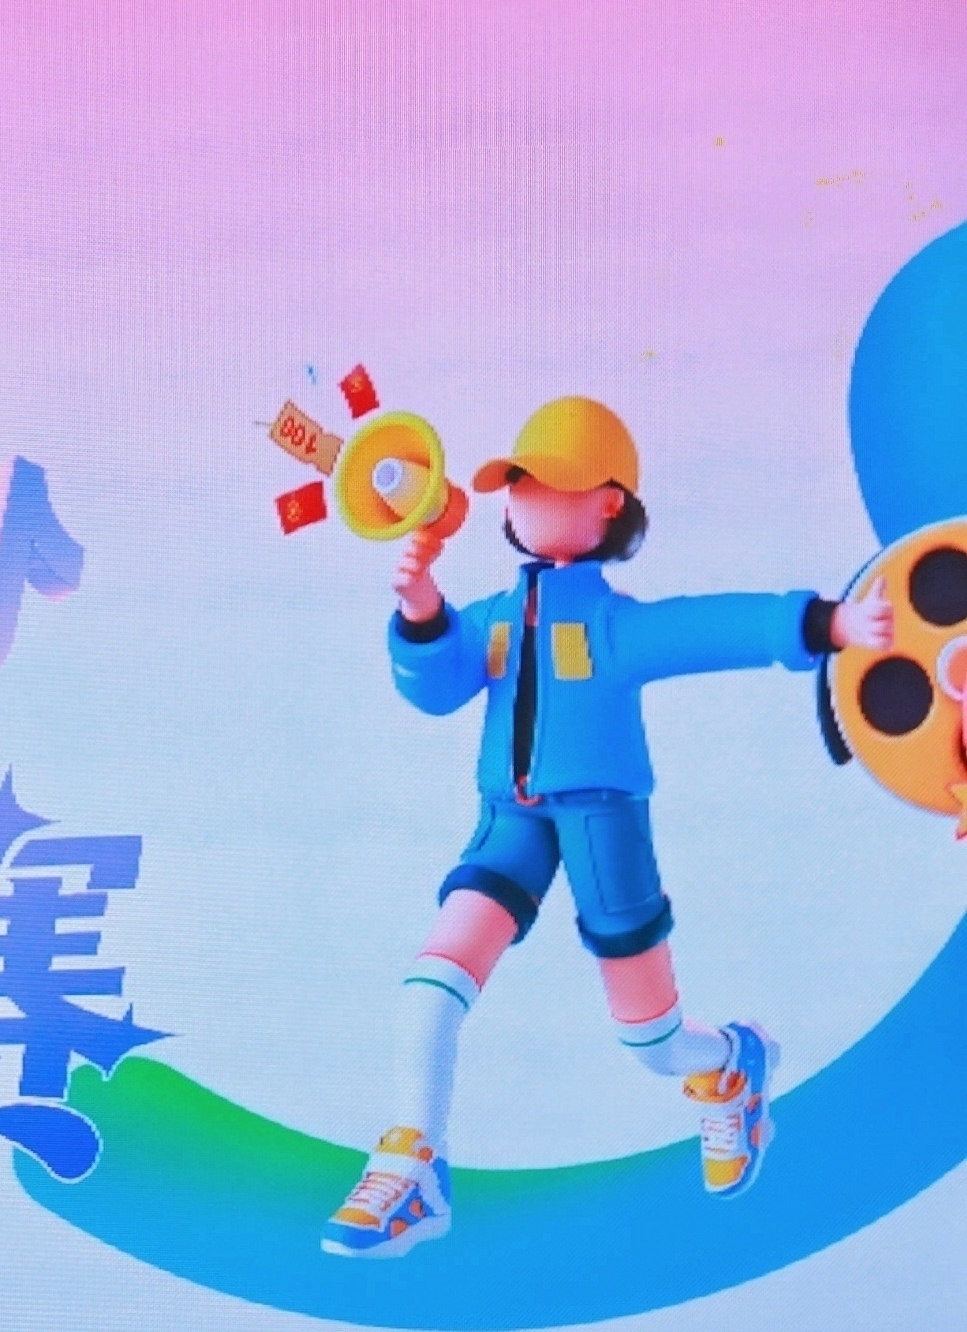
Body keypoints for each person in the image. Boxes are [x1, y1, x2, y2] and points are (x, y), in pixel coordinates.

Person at [323, 395, 892, 1257]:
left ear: (609, 503)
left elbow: (712, 626)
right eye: (519, 481)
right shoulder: (496, 616)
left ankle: (731, 1061)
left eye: (548, 481)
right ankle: (413, 1167)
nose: (524, 496)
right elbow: (436, 689)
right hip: (508, 822)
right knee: (429, 983)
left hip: (606, 829)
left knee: (652, 1041)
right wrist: (421, 610)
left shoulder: (616, 625)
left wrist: (828, 622)